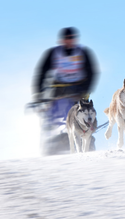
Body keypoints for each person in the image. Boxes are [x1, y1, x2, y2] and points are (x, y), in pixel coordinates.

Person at [32, 27, 99, 155]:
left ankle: (87, 139)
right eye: (67, 38)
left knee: (80, 113)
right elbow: (41, 73)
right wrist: (39, 94)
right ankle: (51, 142)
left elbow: (91, 73)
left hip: (78, 90)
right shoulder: (53, 53)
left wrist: (85, 89)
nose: (70, 41)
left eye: (72, 38)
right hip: (58, 89)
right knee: (53, 114)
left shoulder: (82, 53)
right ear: (62, 40)